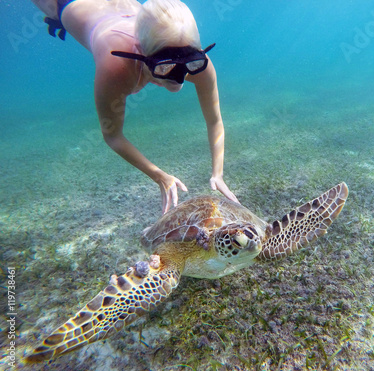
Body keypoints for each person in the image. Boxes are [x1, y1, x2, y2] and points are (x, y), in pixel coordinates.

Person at [31, 0, 239, 213]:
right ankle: (58, 19)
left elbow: (215, 121)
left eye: (190, 63)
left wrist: (218, 173)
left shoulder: (199, 63)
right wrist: (159, 175)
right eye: (165, 67)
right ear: (140, 52)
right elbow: (113, 136)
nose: (180, 79)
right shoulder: (117, 67)